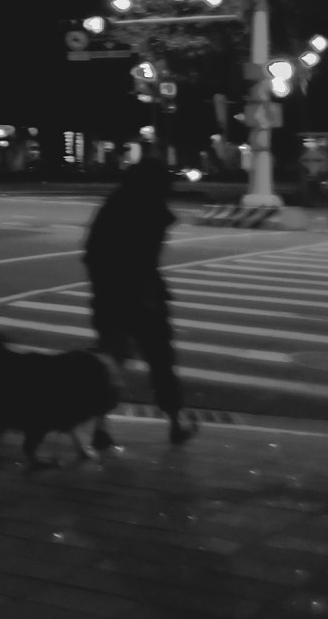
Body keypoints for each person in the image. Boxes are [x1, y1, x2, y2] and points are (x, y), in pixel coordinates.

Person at [84, 157, 195, 444]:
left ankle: (100, 427)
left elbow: (93, 254)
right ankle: (175, 422)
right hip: (142, 299)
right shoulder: (149, 209)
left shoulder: (114, 205)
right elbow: (144, 259)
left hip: (110, 300)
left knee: (111, 363)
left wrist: (104, 291)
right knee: (160, 360)